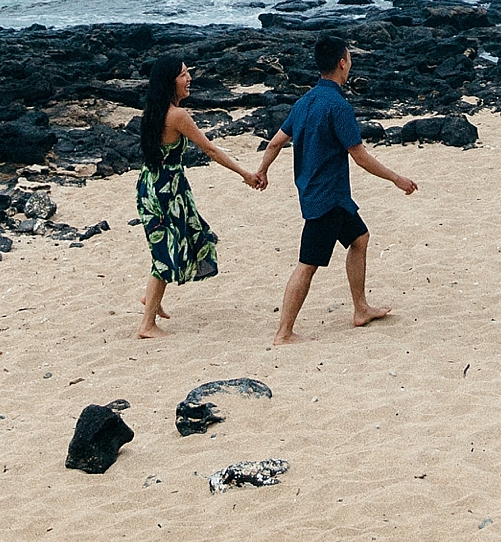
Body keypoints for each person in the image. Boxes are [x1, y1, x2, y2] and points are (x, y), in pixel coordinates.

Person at [251, 35, 415, 344]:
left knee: (360, 238)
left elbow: (275, 142)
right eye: (349, 59)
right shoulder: (338, 106)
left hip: (330, 196)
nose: (350, 63)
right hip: (325, 198)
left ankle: (361, 309)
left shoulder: (305, 101)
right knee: (307, 265)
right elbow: (360, 155)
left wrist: (262, 170)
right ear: (342, 63)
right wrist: (396, 178)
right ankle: (283, 332)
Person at [134, 56, 265, 339]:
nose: (189, 78)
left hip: (151, 184)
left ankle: (151, 299)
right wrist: (244, 173)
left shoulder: (153, 112)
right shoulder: (177, 116)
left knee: (175, 242)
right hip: (167, 190)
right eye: (183, 74)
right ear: (171, 82)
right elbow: (211, 150)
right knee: (169, 249)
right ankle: (147, 325)